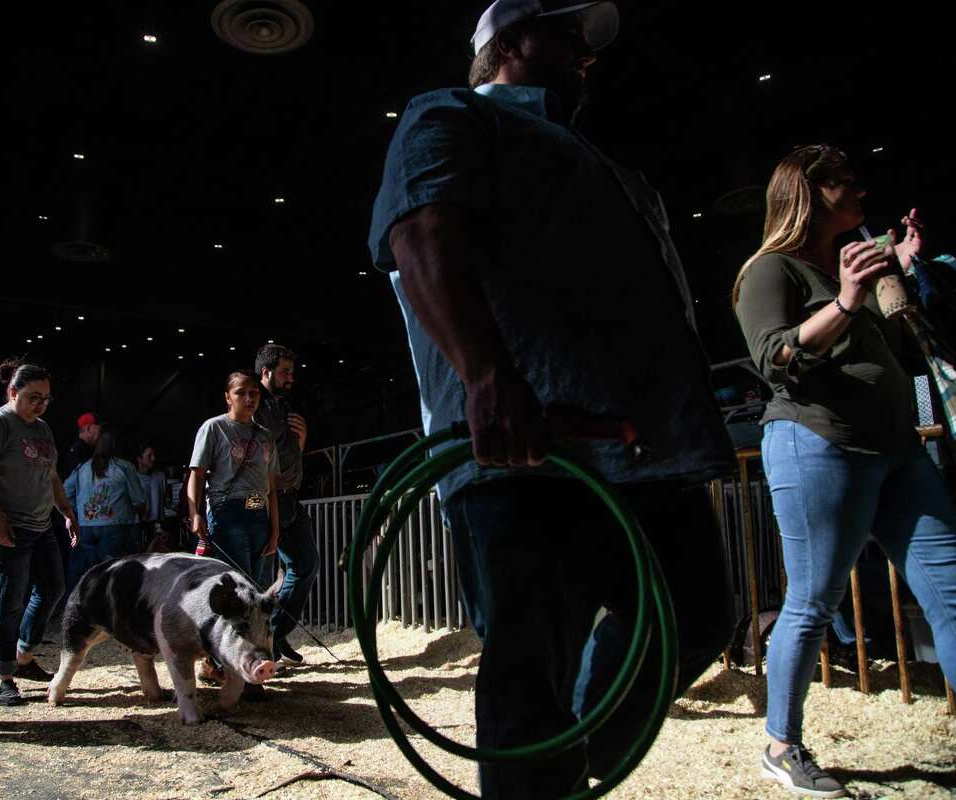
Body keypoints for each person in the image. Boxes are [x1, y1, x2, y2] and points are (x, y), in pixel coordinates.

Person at [368, 1, 738, 795]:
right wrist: (487, 375)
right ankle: (547, 772)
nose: (583, 49)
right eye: (562, 30)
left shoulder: (599, 164)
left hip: (641, 449)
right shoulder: (453, 113)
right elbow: (419, 229)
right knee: (529, 678)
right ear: (505, 43)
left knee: (699, 614)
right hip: (529, 456)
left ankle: (564, 770)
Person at [733, 144, 956, 798]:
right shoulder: (769, 270)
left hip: (896, 449)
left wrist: (903, 273)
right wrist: (849, 299)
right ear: (809, 191)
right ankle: (780, 743)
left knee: (949, 584)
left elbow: (896, 341)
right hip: (818, 445)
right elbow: (773, 357)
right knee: (812, 602)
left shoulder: (839, 267)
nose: (859, 188)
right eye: (844, 181)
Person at [0, 359, 80, 707]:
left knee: (53, 588)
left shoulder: (43, 429)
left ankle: (23, 654)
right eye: (33, 397)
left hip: (40, 523)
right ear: (12, 391)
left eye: (46, 398)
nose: (40, 404)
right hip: (7, 526)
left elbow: (50, 474)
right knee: (11, 599)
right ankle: (3, 677)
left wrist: (66, 510)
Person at [253, 343, 319, 664]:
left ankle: (276, 635)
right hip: (266, 501)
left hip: (291, 498)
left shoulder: (285, 406)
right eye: (285, 372)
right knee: (261, 579)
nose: (291, 377)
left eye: (292, 371)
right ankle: (262, 644)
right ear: (266, 372)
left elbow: (289, 455)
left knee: (306, 565)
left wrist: (301, 442)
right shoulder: (255, 405)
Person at [188, 371, 281, 585]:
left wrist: (275, 531)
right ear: (228, 397)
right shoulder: (214, 427)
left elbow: (272, 488)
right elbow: (197, 474)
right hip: (228, 510)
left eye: (254, 393)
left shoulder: (265, 435)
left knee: (258, 585)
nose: (249, 398)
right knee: (240, 585)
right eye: (241, 393)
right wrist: (195, 514)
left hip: (260, 513)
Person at [63, 428, 146, 589]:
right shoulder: (124, 467)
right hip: (116, 526)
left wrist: (78, 510)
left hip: (86, 527)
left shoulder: (82, 468)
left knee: (86, 573)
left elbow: (65, 492)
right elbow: (139, 498)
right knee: (113, 575)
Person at [135, 444, 171, 551]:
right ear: (139, 459)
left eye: (153, 455)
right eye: (149, 456)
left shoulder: (160, 476)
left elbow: (164, 499)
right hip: (139, 524)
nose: (153, 458)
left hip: (157, 524)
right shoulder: (134, 478)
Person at [61, 411, 102, 480]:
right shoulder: (78, 451)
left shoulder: (85, 448)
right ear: (89, 428)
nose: (101, 433)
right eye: (100, 429)